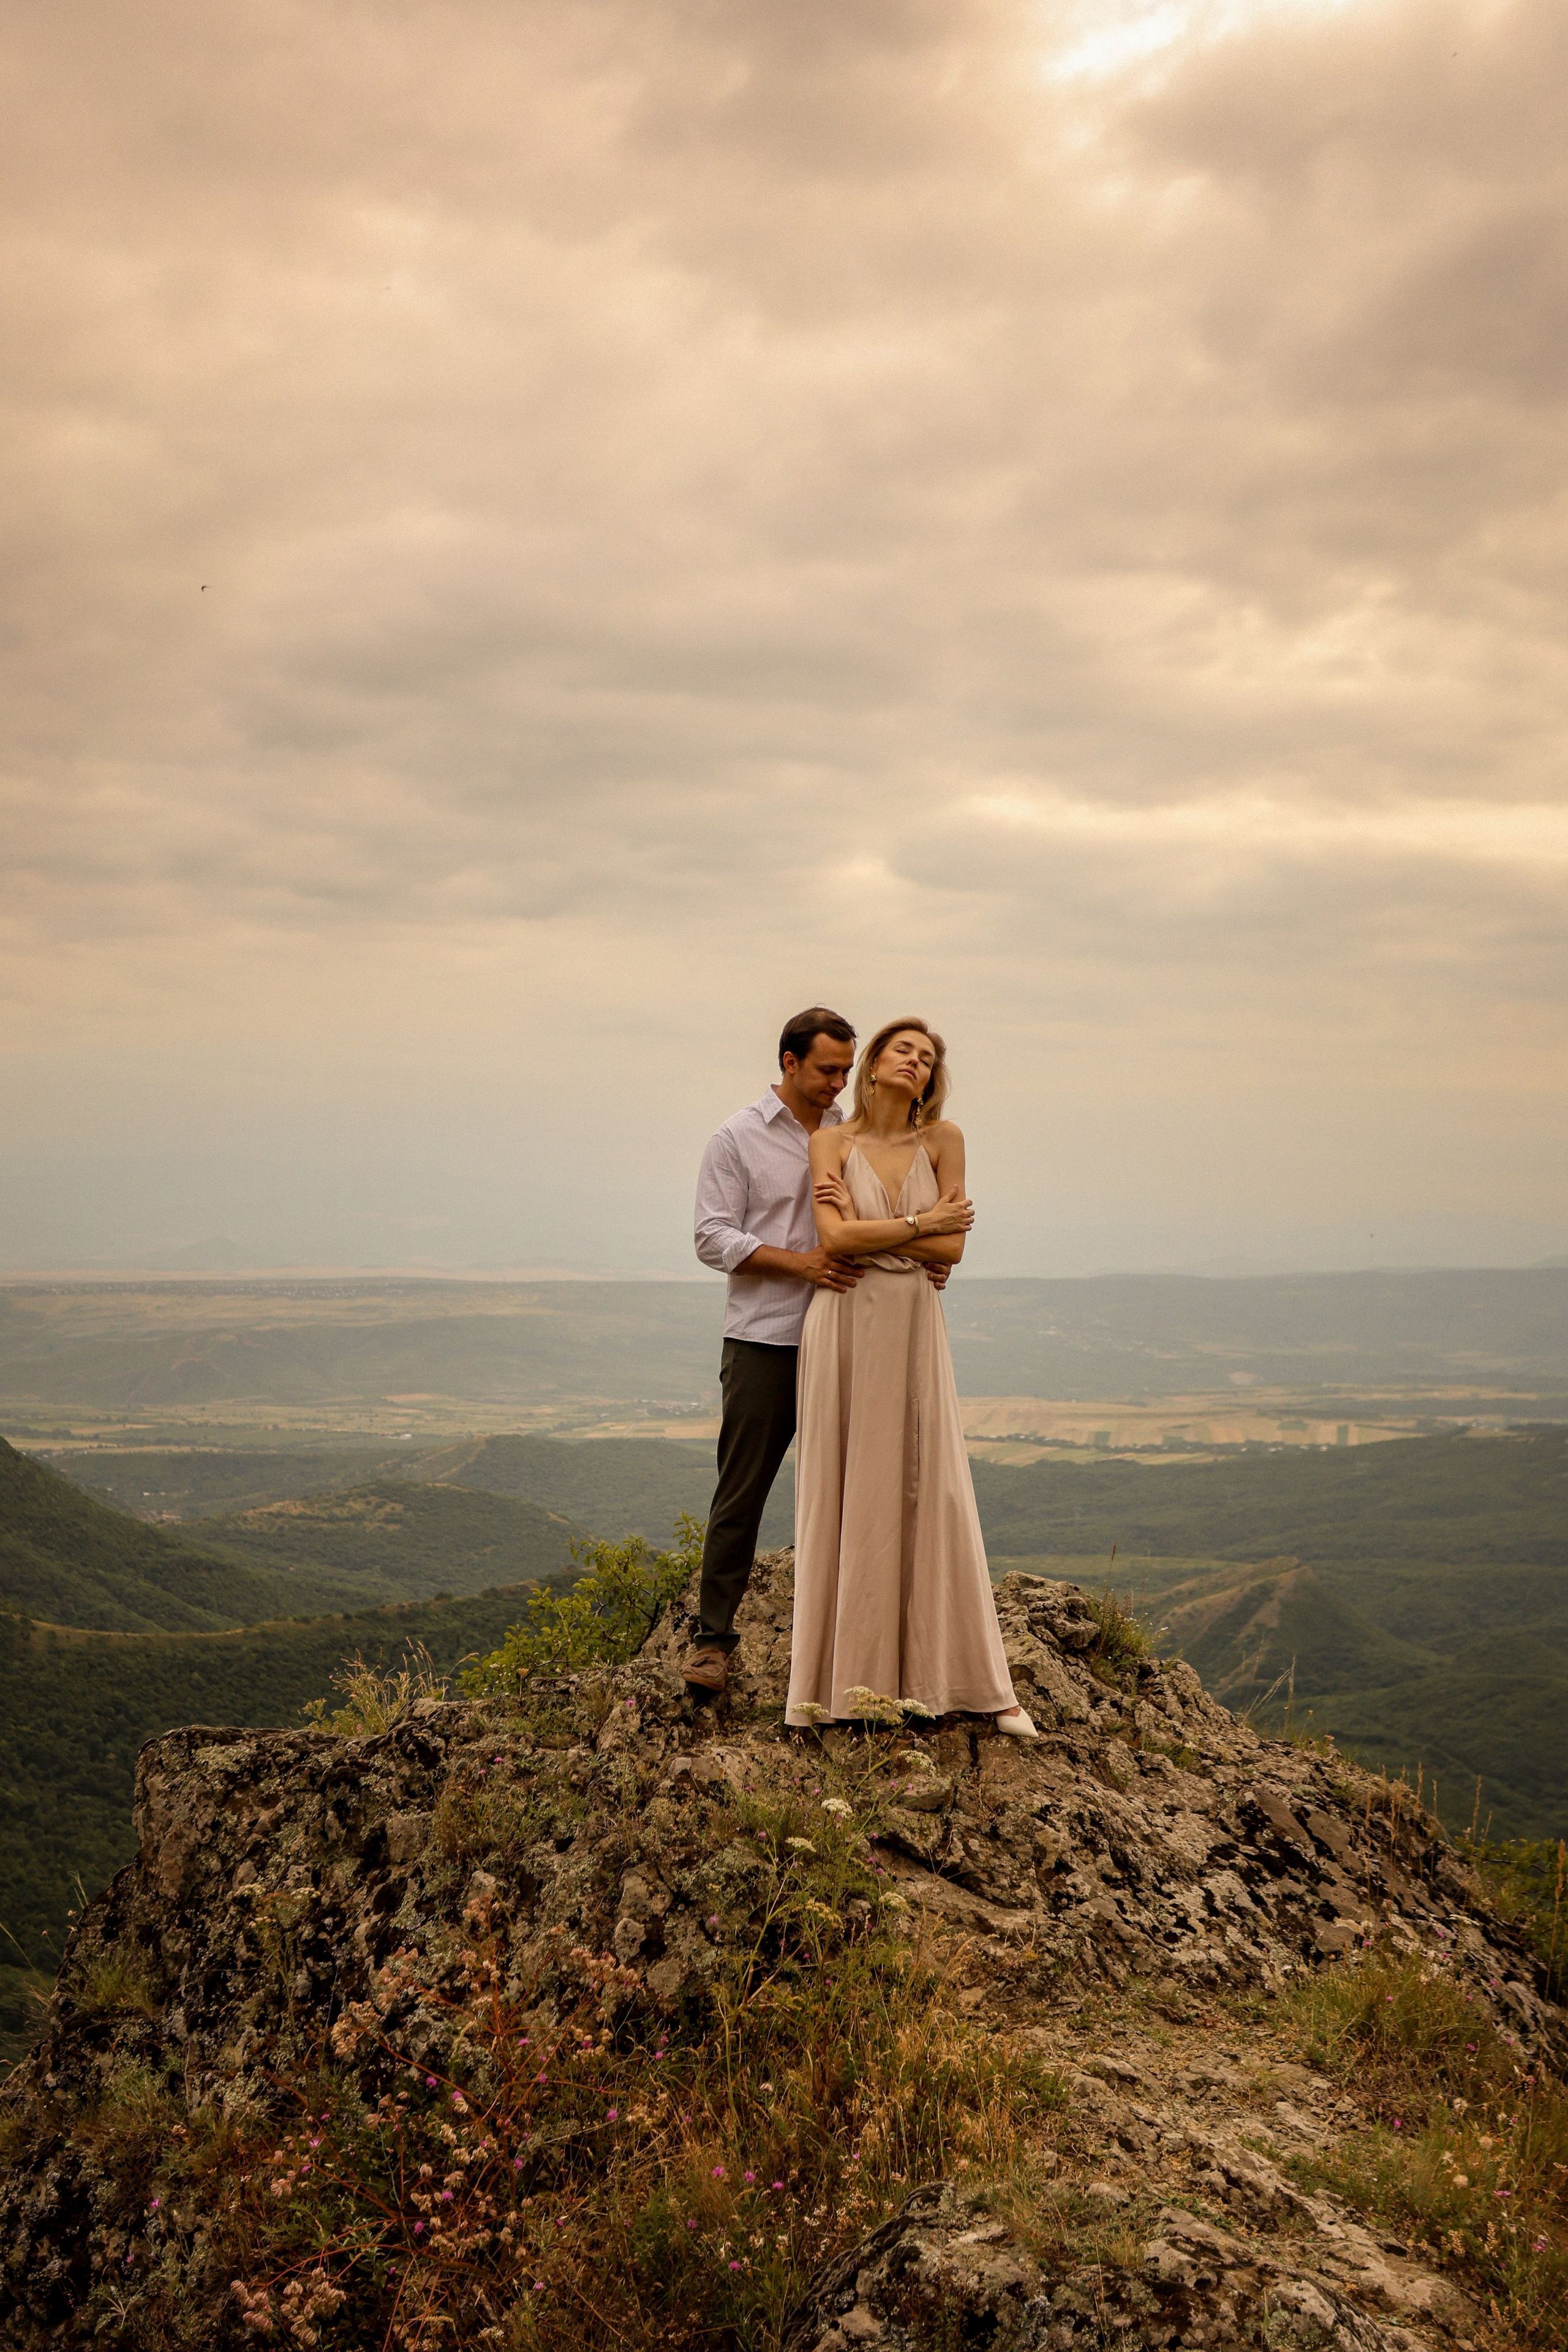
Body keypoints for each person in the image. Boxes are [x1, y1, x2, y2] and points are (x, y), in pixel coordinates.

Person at [687, 1007, 950, 1701]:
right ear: (789, 1062)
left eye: (846, 1069)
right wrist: (801, 1264)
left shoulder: (853, 1133)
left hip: (860, 1333)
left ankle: (862, 1645)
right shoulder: (736, 1137)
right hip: (767, 1337)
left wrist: (920, 1255)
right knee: (743, 1489)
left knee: (865, 1488)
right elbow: (711, 1237)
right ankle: (712, 1641)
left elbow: (893, 1220)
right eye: (827, 1069)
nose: (839, 1082)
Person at [785, 1017, 1037, 1737]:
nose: (916, 1062)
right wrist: (921, 1224)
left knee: (933, 1485)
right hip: (844, 1321)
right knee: (847, 1488)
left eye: (927, 1058)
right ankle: (837, 1690)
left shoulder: (943, 1139)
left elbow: (952, 1250)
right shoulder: (830, 1142)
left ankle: (968, 1682)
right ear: (872, 1064)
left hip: (914, 1324)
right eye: (904, 1050)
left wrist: (894, 1234)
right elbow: (835, 1239)